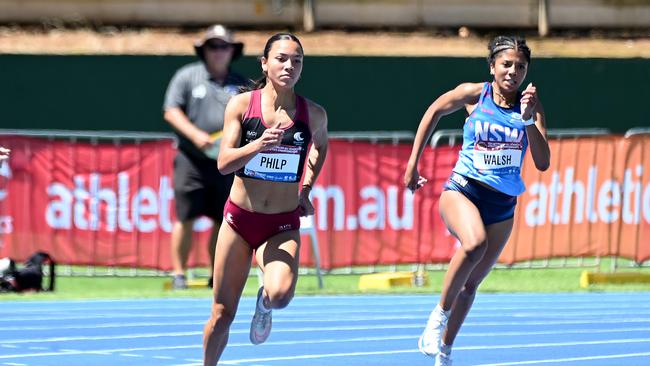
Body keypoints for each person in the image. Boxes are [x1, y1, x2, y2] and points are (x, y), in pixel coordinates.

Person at [404, 36, 550, 366]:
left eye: (521, 67)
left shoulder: (531, 105)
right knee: (474, 245)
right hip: (463, 190)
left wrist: (528, 118)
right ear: (492, 67)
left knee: (470, 287)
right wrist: (413, 163)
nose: (513, 71)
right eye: (506, 64)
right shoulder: (476, 94)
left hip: (502, 206)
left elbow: (542, 162)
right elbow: (433, 112)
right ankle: (436, 318)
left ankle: (445, 349)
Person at [202, 33, 328, 366]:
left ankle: (264, 302)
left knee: (281, 295)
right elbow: (224, 162)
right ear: (265, 63)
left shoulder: (313, 115)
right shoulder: (242, 106)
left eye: (297, 60)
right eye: (282, 58)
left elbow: (321, 147)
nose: (289, 65)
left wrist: (307, 189)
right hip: (240, 220)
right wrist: (258, 145)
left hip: (281, 224)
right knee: (221, 313)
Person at [163, 24, 249, 289]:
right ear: (204, 50)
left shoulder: (241, 84)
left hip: (224, 161)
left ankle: (216, 274)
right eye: (213, 46)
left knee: (221, 219)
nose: (219, 52)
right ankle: (179, 274)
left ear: (232, 50)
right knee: (185, 217)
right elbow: (171, 111)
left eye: (224, 46)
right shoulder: (187, 76)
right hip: (191, 159)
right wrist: (196, 135)